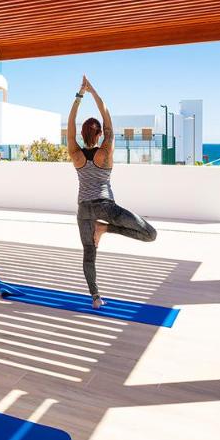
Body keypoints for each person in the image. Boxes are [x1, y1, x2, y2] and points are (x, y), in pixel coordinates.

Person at [67, 76, 157, 308]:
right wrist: (92, 90)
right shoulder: (105, 152)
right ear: (98, 135)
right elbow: (107, 118)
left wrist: (79, 95)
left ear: (83, 134)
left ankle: (96, 298)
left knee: (89, 254)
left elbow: (70, 124)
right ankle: (104, 227)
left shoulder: (75, 154)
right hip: (106, 206)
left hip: (83, 209)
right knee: (150, 234)